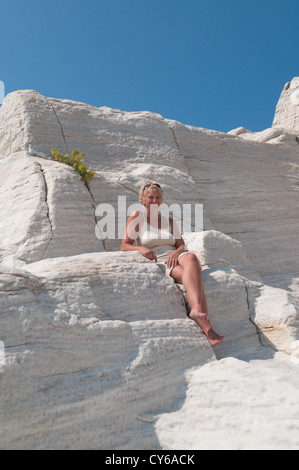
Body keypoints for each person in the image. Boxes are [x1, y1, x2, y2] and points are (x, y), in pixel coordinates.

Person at [121, 181, 225, 346]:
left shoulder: (168, 220)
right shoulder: (137, 216)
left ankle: (196, 309)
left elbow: (181, 244)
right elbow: (125, 245)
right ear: (142, 200)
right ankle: (208, 329)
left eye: (158, 198)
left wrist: (177, 252)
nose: (155, 201)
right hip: (160, 260)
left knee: (191, 258)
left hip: (176, 255)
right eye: (151, 198)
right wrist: (141, 248)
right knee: (193, 278)